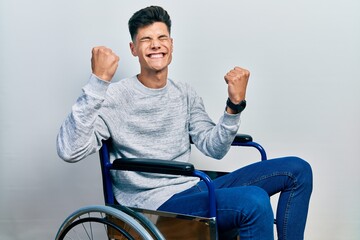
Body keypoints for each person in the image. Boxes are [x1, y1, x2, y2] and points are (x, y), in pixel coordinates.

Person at [57, 5, 312, 240]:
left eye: (162, 38)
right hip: (152, 202)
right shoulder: (113, 96)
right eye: (146, 39)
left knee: (298, 170)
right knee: (253, 200)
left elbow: (214, 148)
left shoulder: (185, 93)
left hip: (192, 186)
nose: (155, 45)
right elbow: (70, 150)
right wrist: (97, 82)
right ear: (134, 49)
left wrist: (233, 107)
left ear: (172, 44)